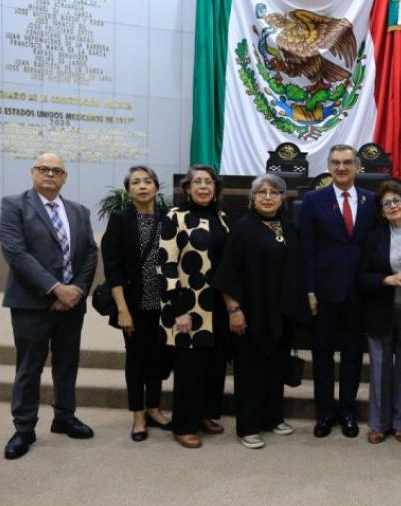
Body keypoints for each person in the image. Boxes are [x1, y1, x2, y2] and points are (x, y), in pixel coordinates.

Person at [0, 152, 98, 460]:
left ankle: (64, 417)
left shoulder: (79, 211)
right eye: (44, 169)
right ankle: (24, 428)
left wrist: (77, 290)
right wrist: (55, 289)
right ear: (33, 173)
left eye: (57, 170)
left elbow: (90, 254)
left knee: (67, 363)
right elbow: (16, 253)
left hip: (72, 305)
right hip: (32, 303)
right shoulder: (14, 205)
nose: (50, 174)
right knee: (29, 367)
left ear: (65, 177)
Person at [214, 174, 309, 449]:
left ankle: (272, 417)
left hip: (280, 314)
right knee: (250, 373)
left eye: (274, 192)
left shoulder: (289, 227)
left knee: (274, 369)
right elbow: (228, 274)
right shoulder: (243, 228)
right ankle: (249, 426)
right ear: (252, 198)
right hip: (250, 313)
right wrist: (234, 309)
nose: (268, 197)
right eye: (262, 192)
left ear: (283, 198)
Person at [299, 145, 376, 438]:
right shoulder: (313, 200)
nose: (341, 167)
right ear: (329, 167)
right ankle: (325, 411)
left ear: (357, 167)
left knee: (354, 355)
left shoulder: (371, 200)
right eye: (335, 163)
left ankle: (347, 411)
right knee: (322, 355)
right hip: (324, 292)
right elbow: (306, 249)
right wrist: (308, 289)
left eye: (347, 163)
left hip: (358, 292)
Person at [158, 165, 231, 449]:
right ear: (187, 188)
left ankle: (204, 415)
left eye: (208, 182)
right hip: (188, 307)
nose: (203, 186)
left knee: (213, 366)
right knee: (189, 370)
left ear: (215, 188)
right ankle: (184, 424)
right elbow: (165, 264)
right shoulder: (175, 217)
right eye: (197, 182)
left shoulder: (222, 218)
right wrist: (180, 309)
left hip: (217, 306)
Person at [101, 166, 171, 442]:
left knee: (158, 358)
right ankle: (138, 413)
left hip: (163, 306)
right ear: (128, 190)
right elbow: (113, 268)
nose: (142, 186)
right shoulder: (119, 219)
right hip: (132, 305)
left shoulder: (168, 218)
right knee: (136, 359)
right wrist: (122, 310)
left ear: (156, 187)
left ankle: (154, 407)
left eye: (147, 181)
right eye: (135, 182)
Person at [357, 181, 401, 444]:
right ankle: (379, 424)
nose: (393, 206)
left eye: (397, 201)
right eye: (387, 203)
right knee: (381, 368)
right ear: (382, 212)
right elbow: (361, 276)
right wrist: (387, 279)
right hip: (381, 310)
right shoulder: (374, 236)